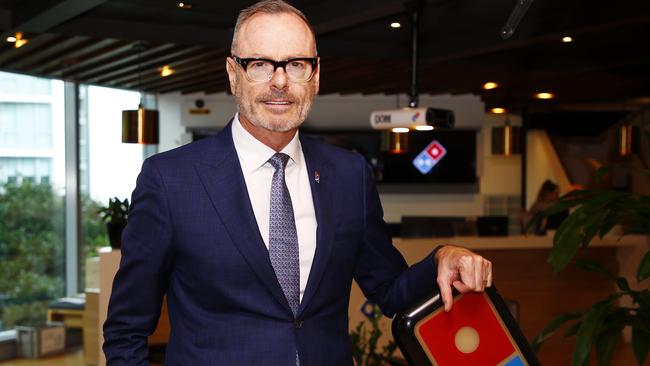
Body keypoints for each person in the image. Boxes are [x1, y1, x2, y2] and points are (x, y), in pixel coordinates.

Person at [103, 1, 493, 365]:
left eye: (296, 64)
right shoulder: (171, 180)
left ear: (316, 75)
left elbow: (389, 289)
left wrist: (444, 257)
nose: (279, 81)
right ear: (232, 74)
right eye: (259, 64)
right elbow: (126, 329)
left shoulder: (349, 175)